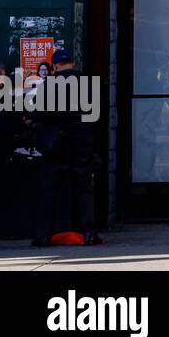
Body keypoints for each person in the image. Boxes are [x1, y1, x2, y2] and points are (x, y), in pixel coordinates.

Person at [31, 51, 99, 246]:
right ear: (73, 63)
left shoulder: (49, 85)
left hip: (56, 145)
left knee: (48, 191)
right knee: (84, 191)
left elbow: (39, 113)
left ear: (54, 66)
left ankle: (43, 235)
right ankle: (89, 233)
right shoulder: (88, 84)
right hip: (81, 143)